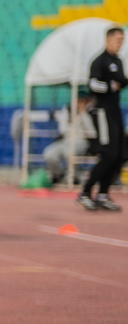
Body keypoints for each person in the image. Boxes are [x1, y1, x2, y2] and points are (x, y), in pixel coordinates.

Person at [79, 27, 127, 211]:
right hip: (103, 112)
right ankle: (85, 192)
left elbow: (121, 81)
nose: (120, 43)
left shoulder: (118, 61)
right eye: (117, 39)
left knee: (120, 154)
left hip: (115, 111)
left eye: (122, 40)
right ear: (108, 40)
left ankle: (103, 194)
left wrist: (119, 84)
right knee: (108, 154)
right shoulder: (100, 61)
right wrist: (111, 86)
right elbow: (93, 85)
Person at [43, 96, 95, 183]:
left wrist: (83, 113)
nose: (80, 103)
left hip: (81, 142)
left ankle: (74, 177)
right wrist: (79, 131)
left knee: (70, 153)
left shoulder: (91, 112)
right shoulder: (67, 110)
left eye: (83, 101)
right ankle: (58, 174)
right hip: (66, 141)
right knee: (49, 153)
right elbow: (63, 129)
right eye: (78, 100)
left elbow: (91, 131)